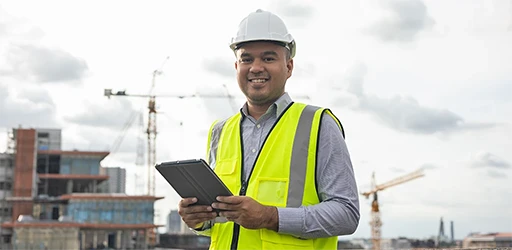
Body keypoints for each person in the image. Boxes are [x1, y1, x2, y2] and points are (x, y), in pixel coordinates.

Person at [178, 9, 360, 250]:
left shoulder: (318, 123)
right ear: (236, 66)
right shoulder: (220, 131)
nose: (256, 67)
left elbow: (346, 213)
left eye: (268, 58)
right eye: (246, 59)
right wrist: (198, 220)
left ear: (289, 66)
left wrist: (271, 217)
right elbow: (222, 222)